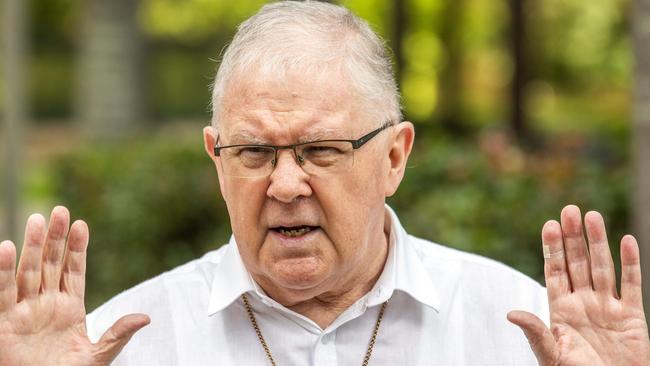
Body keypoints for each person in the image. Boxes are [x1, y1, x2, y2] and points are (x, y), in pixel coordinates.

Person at [1, 1, 648, 365]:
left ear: (394, 156)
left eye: (320, 150)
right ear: (216, 161)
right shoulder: (116, 346)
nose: (285, 184)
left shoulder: (524, 330)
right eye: (254, 151)